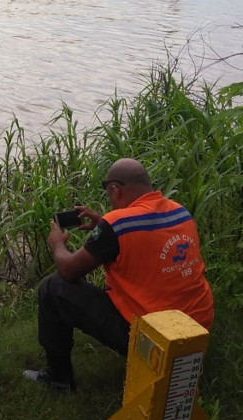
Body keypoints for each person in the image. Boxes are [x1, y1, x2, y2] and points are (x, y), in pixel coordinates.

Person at [23, 158, 214, 392]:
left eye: (109, 194)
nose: (110, 200)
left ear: (115, 189)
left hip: (156, 342)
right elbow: (143, 235)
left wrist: (57, 245)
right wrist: (102, 224)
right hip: (198, 332)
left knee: (53, 288)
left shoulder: (117, 224)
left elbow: (69, 269)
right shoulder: (179, 211)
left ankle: (58, 377)